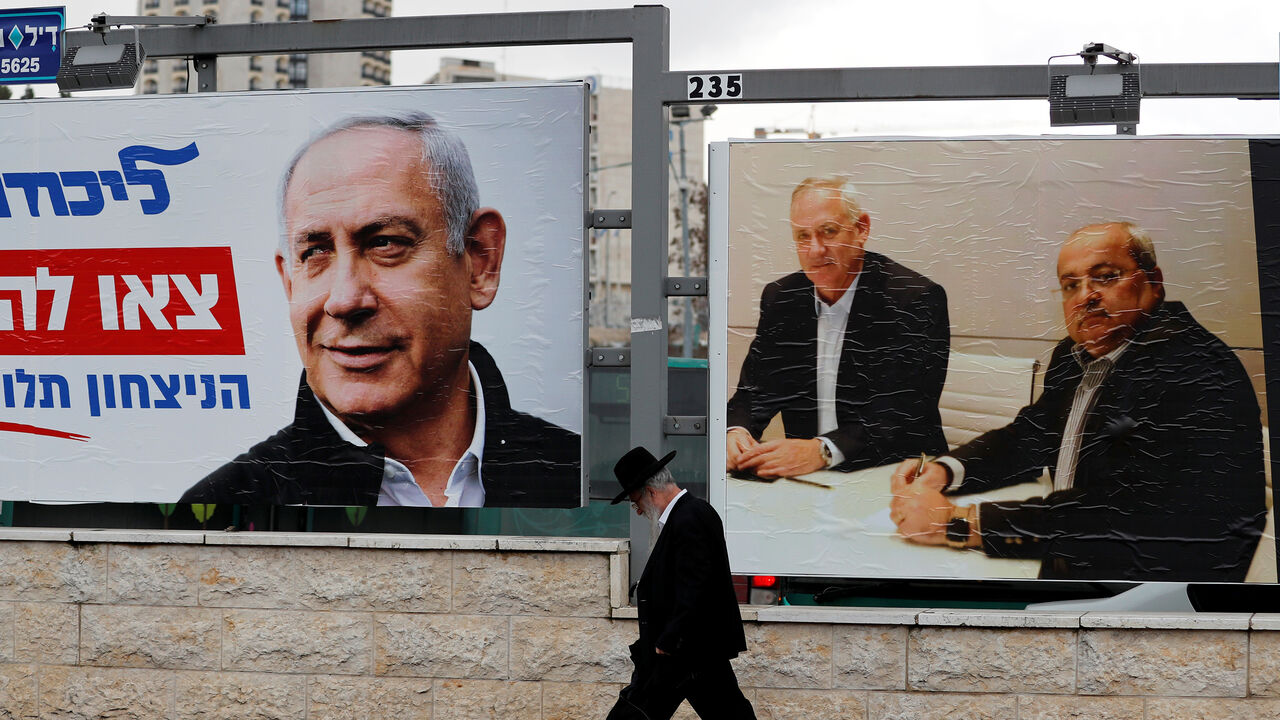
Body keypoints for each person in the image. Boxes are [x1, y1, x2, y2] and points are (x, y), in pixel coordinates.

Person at [182, 113, 579, 508]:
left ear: (480, 261)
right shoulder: (220, 510)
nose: (344, 300)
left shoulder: (580, 481)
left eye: (385, 243)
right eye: (315, 252)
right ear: (290, 282)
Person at [889, 221, 1267, 581]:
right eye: (1070, 285)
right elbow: (1030, 435)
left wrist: (959, 522)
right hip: (1076, 558)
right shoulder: (1074, 355)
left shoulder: (1194, 367)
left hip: (1159, 588)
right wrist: (946, 470)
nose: (1086, 295)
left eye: (1106, 276)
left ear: (1153, 283)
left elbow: (1129, 516)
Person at [726, 176, 949, 478]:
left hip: (895, 476)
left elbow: (900, 412)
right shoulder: (783, 299)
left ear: (862, 229)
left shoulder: (913, 300)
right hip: (808, 480)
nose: (815, 250)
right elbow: (754, 392)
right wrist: (736, 432)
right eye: (803, 236)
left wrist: (823, 450)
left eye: (828, 231)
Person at [607, 446, 756, 720]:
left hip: (683, 651)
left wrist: (668, 640)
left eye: (635, 502)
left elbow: (696, 585)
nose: (638, 511)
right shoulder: (687, 515)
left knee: (633, 713)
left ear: (650, 492)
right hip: (690, 650)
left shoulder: (690, 516)